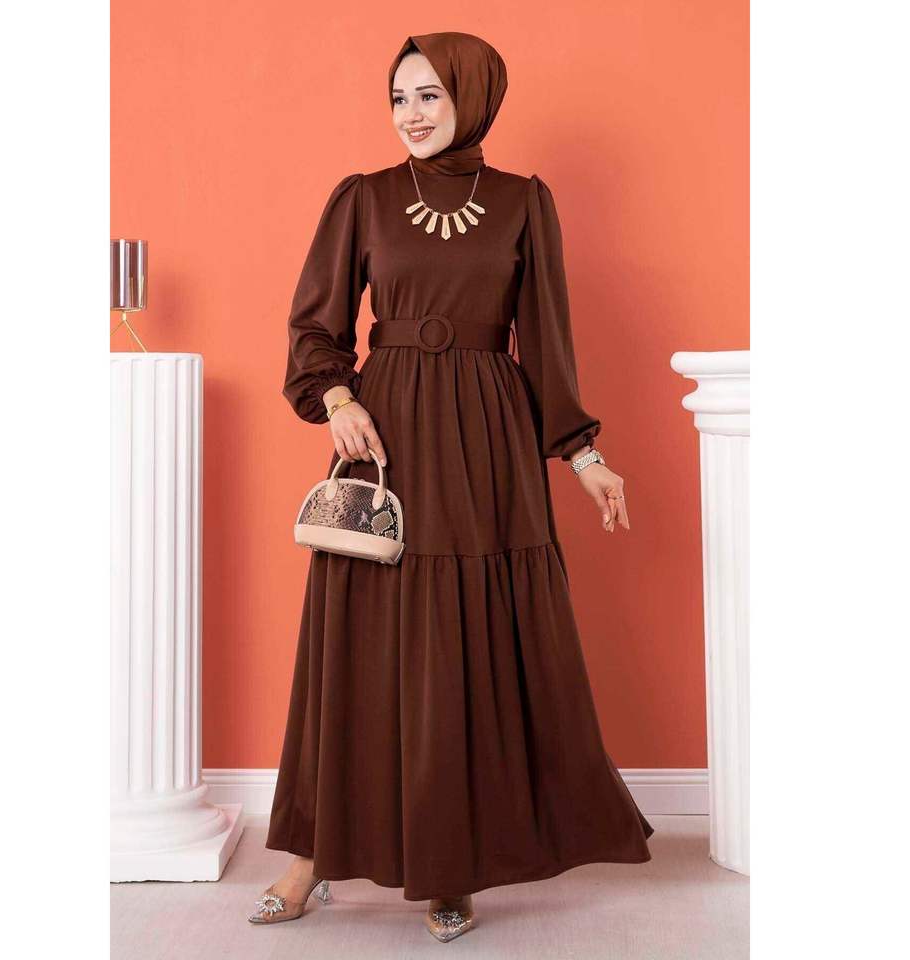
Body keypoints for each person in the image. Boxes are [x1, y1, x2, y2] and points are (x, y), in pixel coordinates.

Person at [249, 31, 653, 943]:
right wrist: (338, 398)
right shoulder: (363, 197)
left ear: (473, 98)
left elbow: (546, 344)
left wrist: (584, 456)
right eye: (399, 97)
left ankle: (451, 863)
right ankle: (310, 857)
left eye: (430, 94)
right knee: (360, 640)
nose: (412, 114)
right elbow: (314, 323)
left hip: (488, 444)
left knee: (465, 645)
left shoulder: (522, 202)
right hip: (385, 431)